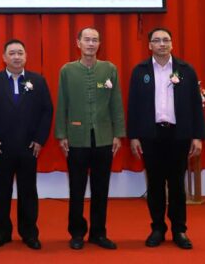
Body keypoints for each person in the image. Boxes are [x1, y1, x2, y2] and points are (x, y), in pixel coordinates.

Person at [127, 27, 205, 249]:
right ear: (149, 45)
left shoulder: (186, 70)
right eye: (157, 40)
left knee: (177, 185)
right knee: (154, 184)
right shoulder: (140, 71)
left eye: (165, 40)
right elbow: (132, 106)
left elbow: (195, 106)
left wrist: (197, 136)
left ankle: (179, 230)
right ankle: (157, 228)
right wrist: (133, 136)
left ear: (172, 44)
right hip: (150, 135)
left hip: (178, 135)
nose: (161, 44)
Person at [54, 27, 125, 250]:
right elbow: (62, 103)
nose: (91, 44)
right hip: (76, 139)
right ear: (78, 43)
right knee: (76, 189)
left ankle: (98, 233)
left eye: (95, 40)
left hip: (104, 138)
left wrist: (118, 133)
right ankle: (76, 233)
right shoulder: (67, 70)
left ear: (99, 44)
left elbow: (116, 103)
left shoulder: (109, 69)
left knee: (101, 188)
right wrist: (61, 134)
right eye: (87, 40)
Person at [0, 39, 53, 250]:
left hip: (28, 147)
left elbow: (47, 111)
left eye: (20, 53)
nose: (16, 57)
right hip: (0, 147)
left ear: (26, 56)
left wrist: (40, 140)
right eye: (12, 53)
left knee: (28, 192)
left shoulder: (38, 81)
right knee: (0, 192)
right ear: (4, 57)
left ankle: (29, 233)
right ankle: (1, 233)